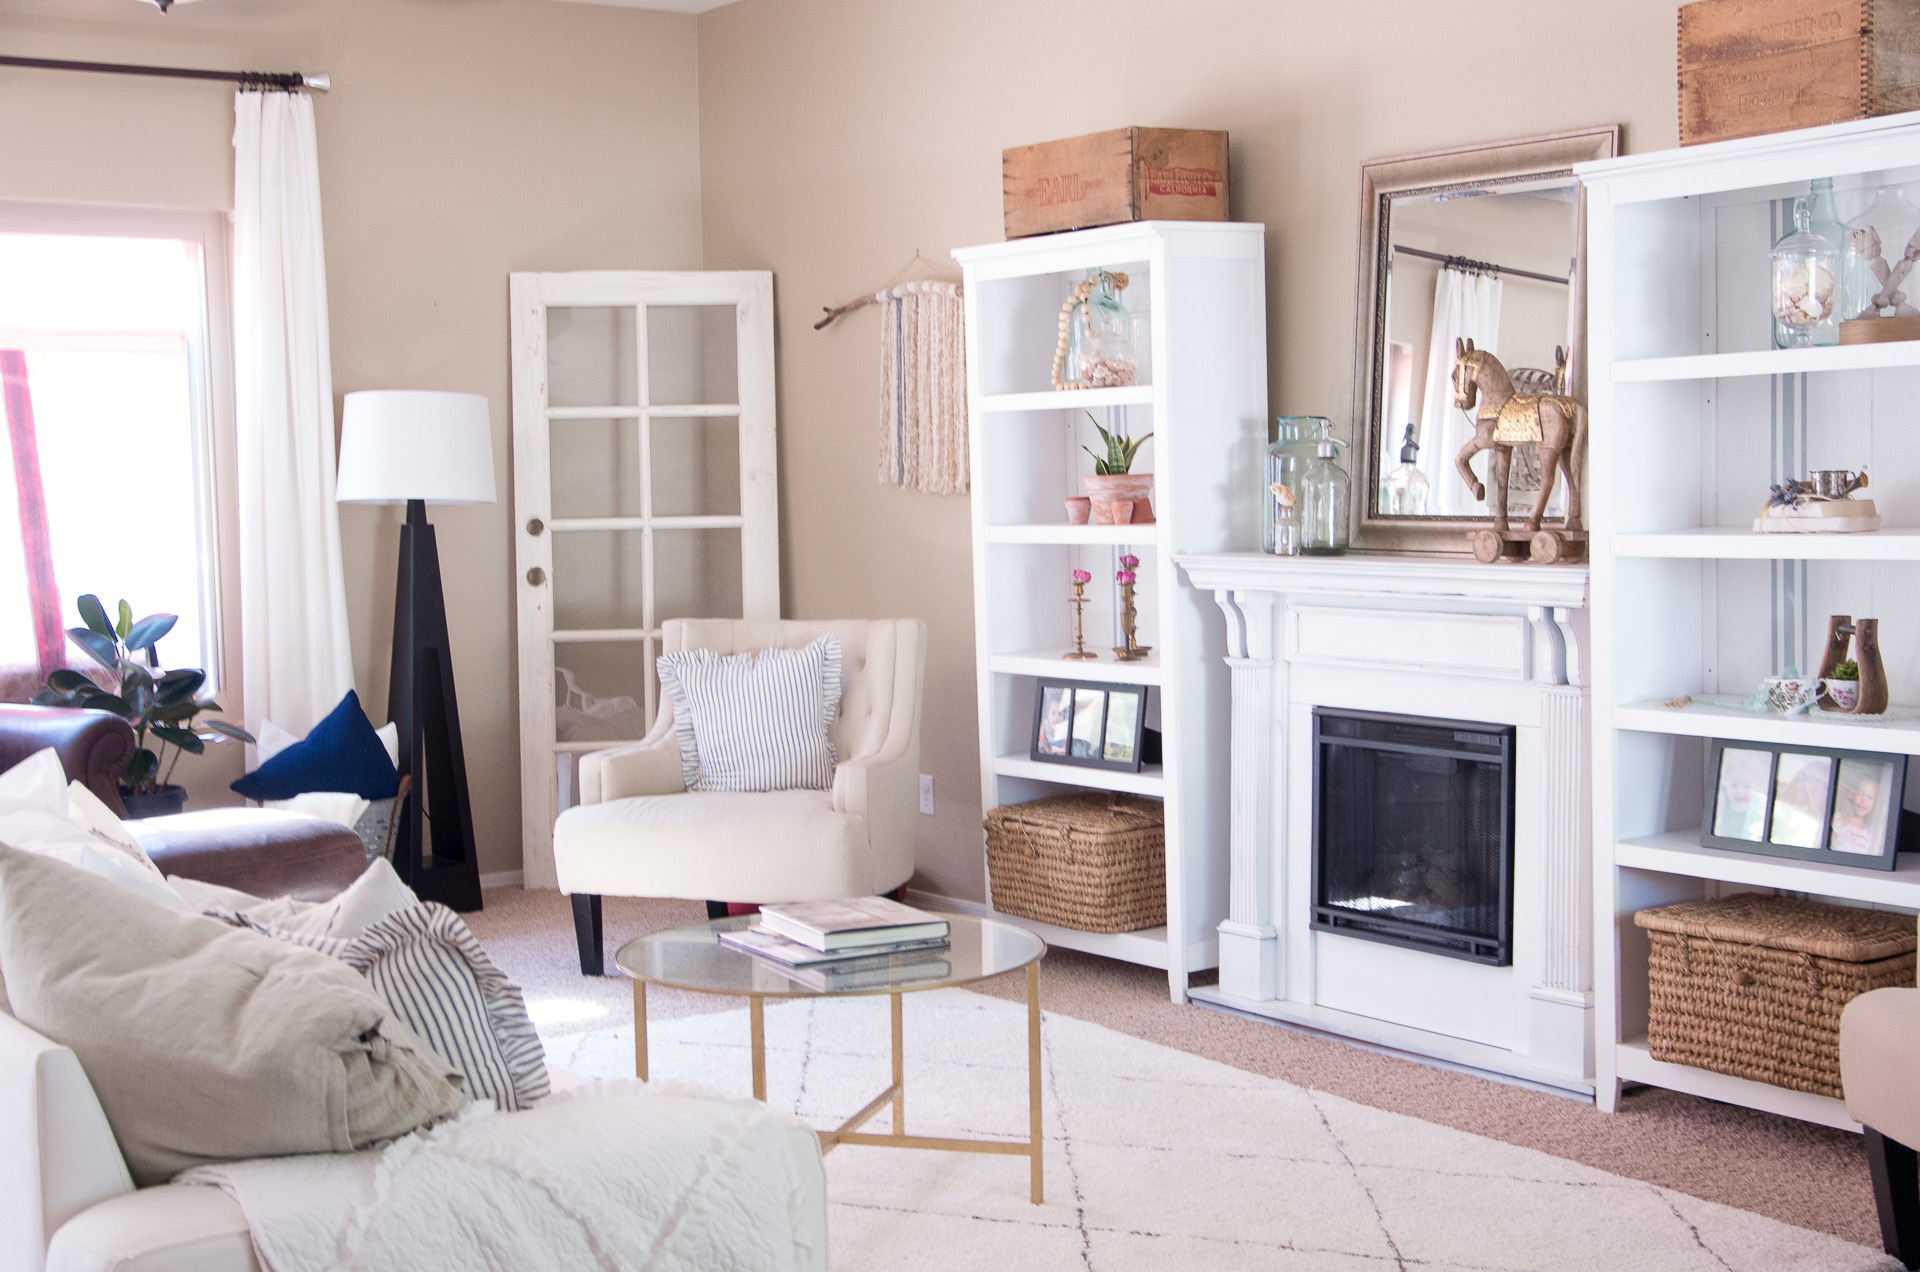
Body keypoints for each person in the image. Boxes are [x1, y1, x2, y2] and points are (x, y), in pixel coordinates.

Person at [1831, 773, 1882, 855]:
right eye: (1860, 794)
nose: (1863, 801)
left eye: (1870, 798)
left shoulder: (1870, 835)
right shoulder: (1837, 819)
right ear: (1853, 795)